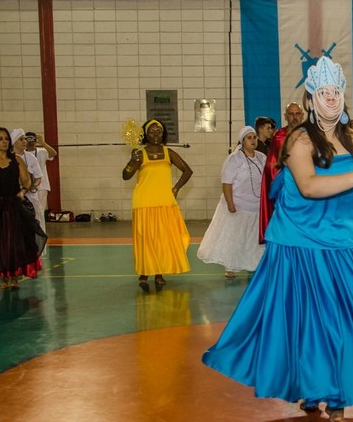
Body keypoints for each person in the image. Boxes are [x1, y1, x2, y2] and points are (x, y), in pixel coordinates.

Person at [203, 55, 353, 422]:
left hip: (346, 239)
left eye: (336, 91)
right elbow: (309, 185)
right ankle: (315, 387)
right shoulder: (299, 139)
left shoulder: (350, 135)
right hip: (301, 243)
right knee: (308, 323)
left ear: (343, 96)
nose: (331, 97)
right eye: (324, 92)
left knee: (348, 320)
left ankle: (335, 396)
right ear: (311, 99)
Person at [0, 127, 46, 289]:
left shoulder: (17, 159)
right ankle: (3, 277)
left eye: (6, 139)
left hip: (13, 206)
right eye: (0, 139)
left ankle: (14, 276)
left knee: (15, 242)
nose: (4, 142)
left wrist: (23, 191)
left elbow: (27, 181)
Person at [122, 119, 192, 287]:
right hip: (143, 203)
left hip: (165, 203)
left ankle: (159, 274)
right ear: (145, 134)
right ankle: (144, 273)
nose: (155, 134)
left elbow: (187, 171)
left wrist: (176, 188)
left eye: (159, 131)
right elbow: (125, 176)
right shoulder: (140, 154)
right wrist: (132, 163)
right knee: (146, 240)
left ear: (163, 134)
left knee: (162, 240)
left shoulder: (169, 153)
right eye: (152, 131)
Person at [197, 126, 266, 278]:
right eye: (249, 138)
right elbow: (226, 182)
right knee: (235, 238)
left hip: (256, 207)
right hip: (238, 206)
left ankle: (253, 263)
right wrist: (230, 203)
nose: (253, 140)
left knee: (253, 239)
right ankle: (230, 266)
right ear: (242, 141)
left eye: (254, 137)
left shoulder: (262, 157)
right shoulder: (234, 159)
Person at [259, 102, 306, 242]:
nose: (295, 117)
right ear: (285, 116)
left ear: (302, 115)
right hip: (287, 187)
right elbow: (272, 165)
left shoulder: (310, 134)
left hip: (308, 185)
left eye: (297, 114)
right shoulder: (279, 136)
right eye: (291, 114)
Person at [12, 129, 46, 234]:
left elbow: (38, 177)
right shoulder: (7, 158)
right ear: (13, 142)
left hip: (30, 196)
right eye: (21, 139)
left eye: (25, 139)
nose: (25, 142)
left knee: (37, 219)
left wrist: (34, 186)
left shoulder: (31, 158)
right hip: (13, 196)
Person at [24, 132, 57, 229]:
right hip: (26, 186)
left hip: (42, 186)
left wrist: (42, 142)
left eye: (32, 139)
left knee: (40, 211)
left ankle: (41, 231)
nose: (30, 142)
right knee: (27, 210)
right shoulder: (22, 154)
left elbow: (53, 153)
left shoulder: (41, 151)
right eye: (28, 139)